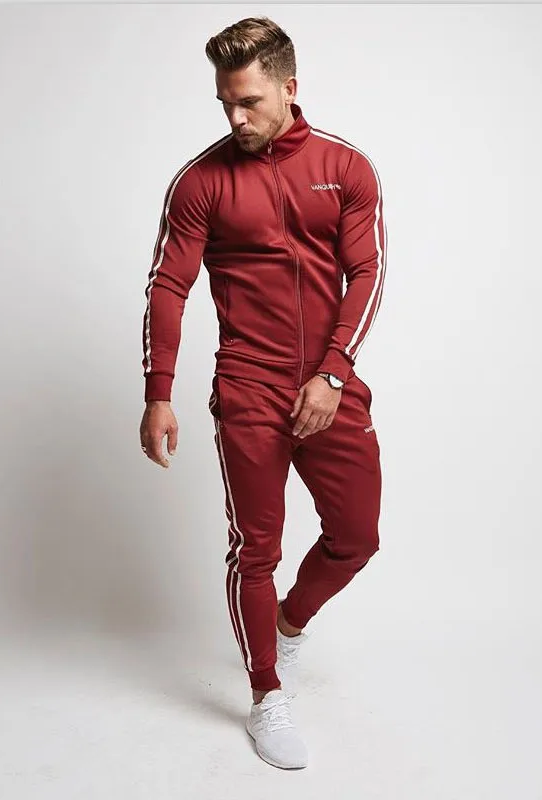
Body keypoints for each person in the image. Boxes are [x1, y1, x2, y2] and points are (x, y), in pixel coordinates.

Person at [139, 16, 387, 770]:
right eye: (225, 104)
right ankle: (265, 694)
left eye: (248, 101)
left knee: (357, 537)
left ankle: (288, 621)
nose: (236, 118)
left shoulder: (346, 168)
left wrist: (333, 373)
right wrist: (158, 392)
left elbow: (369, 273)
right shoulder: (201, 182)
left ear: (289, 86)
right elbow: (169, 285)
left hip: (330, 381)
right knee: (257, 547)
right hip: (247, 383)